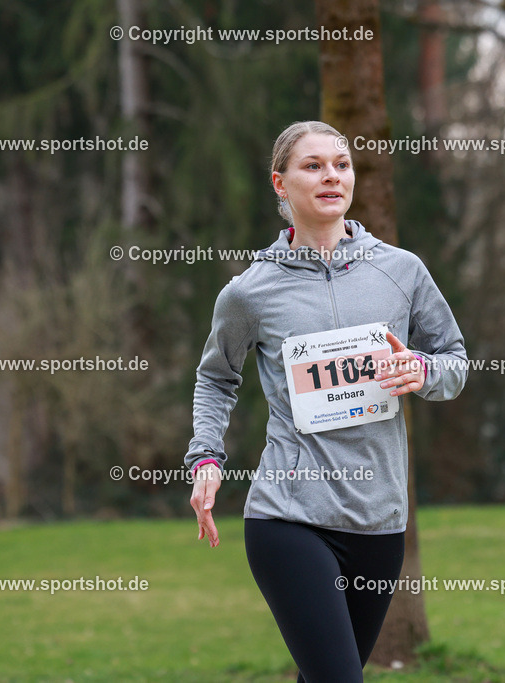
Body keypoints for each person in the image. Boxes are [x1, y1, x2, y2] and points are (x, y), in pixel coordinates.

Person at [185, 120, 468, 682]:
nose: (331, 176)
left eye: (341, 164)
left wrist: (420, 369)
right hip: (289, 516)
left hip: (379, 520)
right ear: (280, 183)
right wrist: (206, 459)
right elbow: (216, 379)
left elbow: (454, 362)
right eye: (312, 166)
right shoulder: (250, 291)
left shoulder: (401, 271)